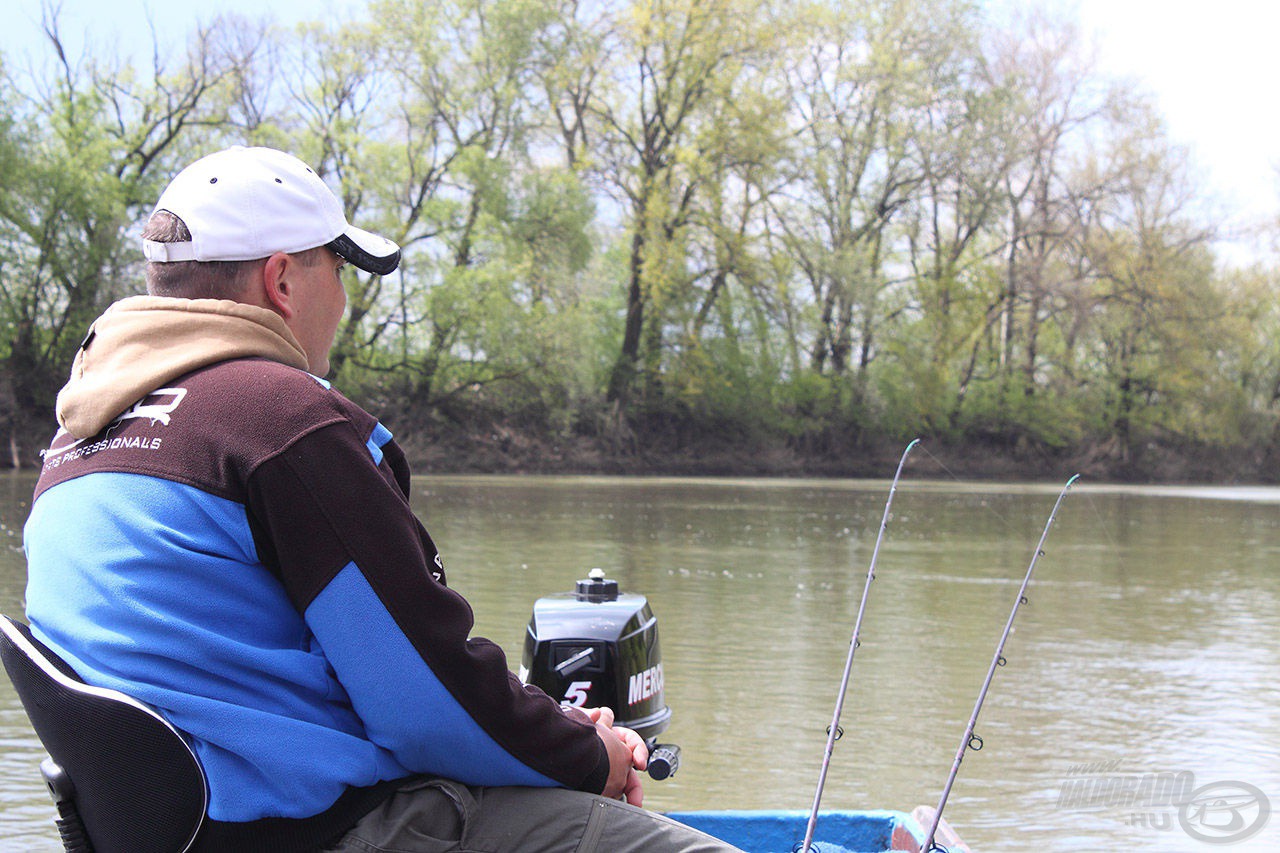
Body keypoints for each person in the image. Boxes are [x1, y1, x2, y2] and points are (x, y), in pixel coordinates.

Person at [22, 146, 739, 853]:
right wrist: (596, 756)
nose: (343, 293)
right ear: (282, 280)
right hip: (325, 831)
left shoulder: (76, 439)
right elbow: (428, 702)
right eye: (338, 266)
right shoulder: (279, 422)